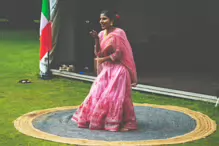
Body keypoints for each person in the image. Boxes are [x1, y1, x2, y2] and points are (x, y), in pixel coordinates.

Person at [72, 10, 138, 132]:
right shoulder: (102, 34)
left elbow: (119, 53)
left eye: (104, 19)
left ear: (112, 21)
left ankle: (123, 122)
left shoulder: (119, 33)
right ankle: (100, 120)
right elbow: (98, 53)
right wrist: (96, 39)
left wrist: (103, 59)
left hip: (118, 70)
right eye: (100, 19)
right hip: (106, 69)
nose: (101, 21)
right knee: (96, 94)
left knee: (115, 97)